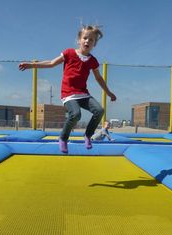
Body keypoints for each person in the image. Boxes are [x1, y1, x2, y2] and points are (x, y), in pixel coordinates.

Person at [19, 25, 116, 153]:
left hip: (83, 94)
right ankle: (63, 138)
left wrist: (109, 93)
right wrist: (32, 65)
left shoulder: (92, 61)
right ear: (79, 40)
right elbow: (51, 63)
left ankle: (87, 135)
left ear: (94, 44)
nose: (87, 41)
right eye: (85, 38)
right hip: (68, 93)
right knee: (76, 114)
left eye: (91, 40)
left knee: (99, 110)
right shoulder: (69, 53)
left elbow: (99, 78)